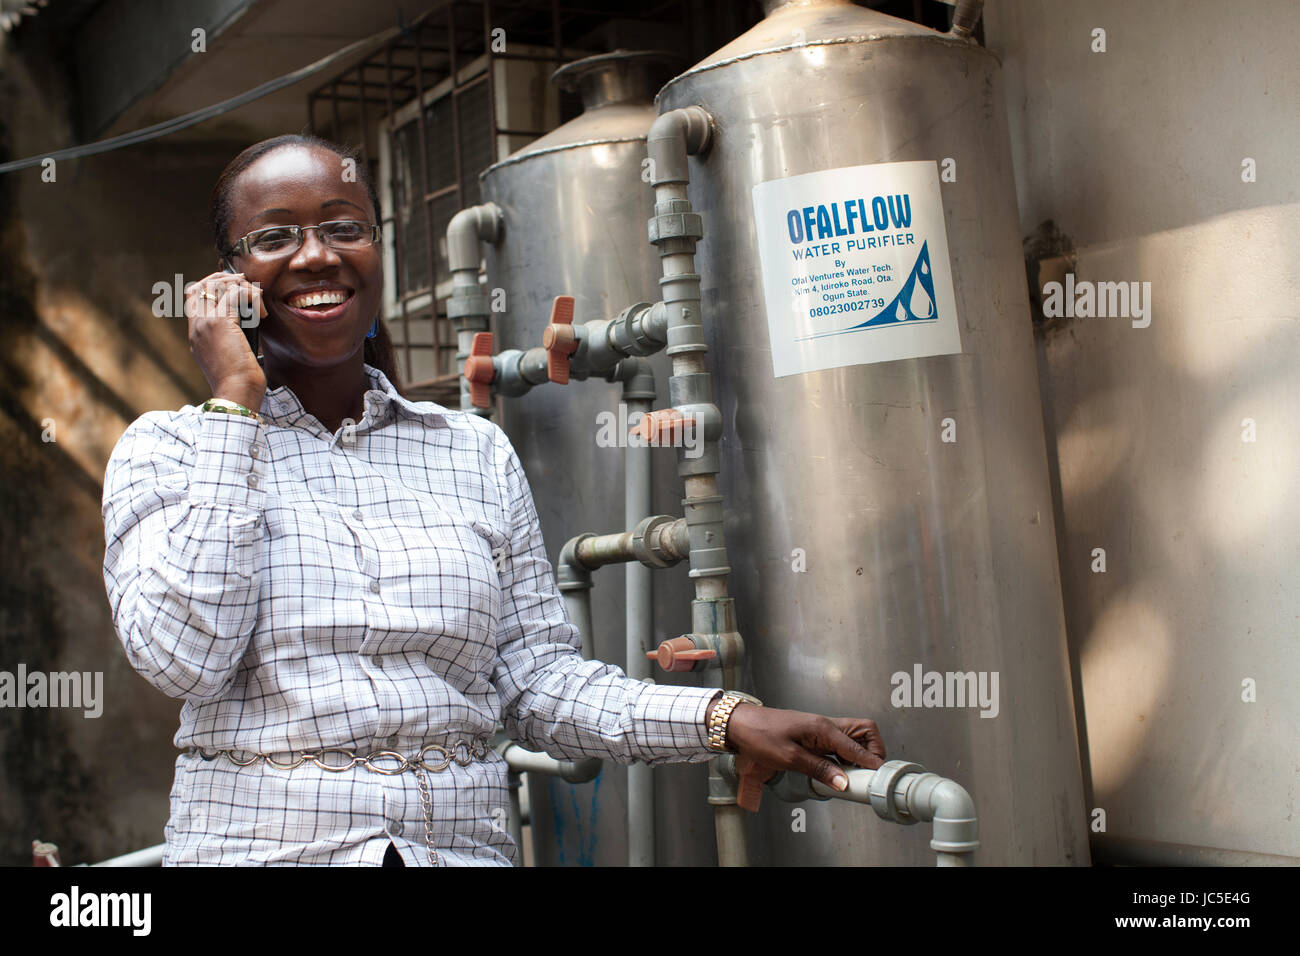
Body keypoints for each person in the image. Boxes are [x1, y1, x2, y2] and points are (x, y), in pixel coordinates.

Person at [100, 133, 886, 866]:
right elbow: (182, 661)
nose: (316, 256)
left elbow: (539, 683)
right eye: (274, 238)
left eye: (344, 227)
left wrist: (726, 718)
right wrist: (235, 405)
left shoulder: (471, 450)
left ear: (380, 252)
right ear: (224, 285)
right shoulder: (169, 452)